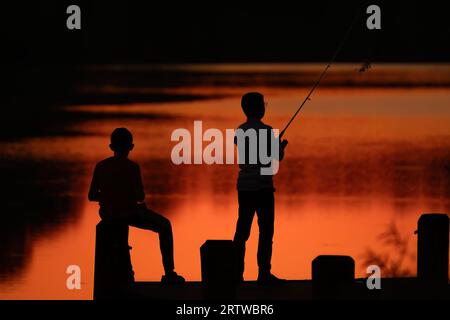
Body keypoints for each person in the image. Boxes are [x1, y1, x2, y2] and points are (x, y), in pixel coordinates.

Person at [88, 127, 185, 284]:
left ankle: (124, 273)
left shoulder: (101, 166)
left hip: (108, 213)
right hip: (128, 213)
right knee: (164, 225)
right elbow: (140, 196)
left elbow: (91, 196)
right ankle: (169, 273)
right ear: (131, 147)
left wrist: (109, 196)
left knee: (123, 223)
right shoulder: (132, 167)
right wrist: (129, 200)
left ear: (111, 147)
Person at [233, 92, 288, 285]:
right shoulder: (267, 131)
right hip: (264, 187)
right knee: (265, 232)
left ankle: (236, 274)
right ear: (260, 108)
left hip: (245, 186)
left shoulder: (239, 131)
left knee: (242, 231)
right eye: (264, 104)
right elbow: (276, 158)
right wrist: (281, 147)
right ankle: (264, 273)